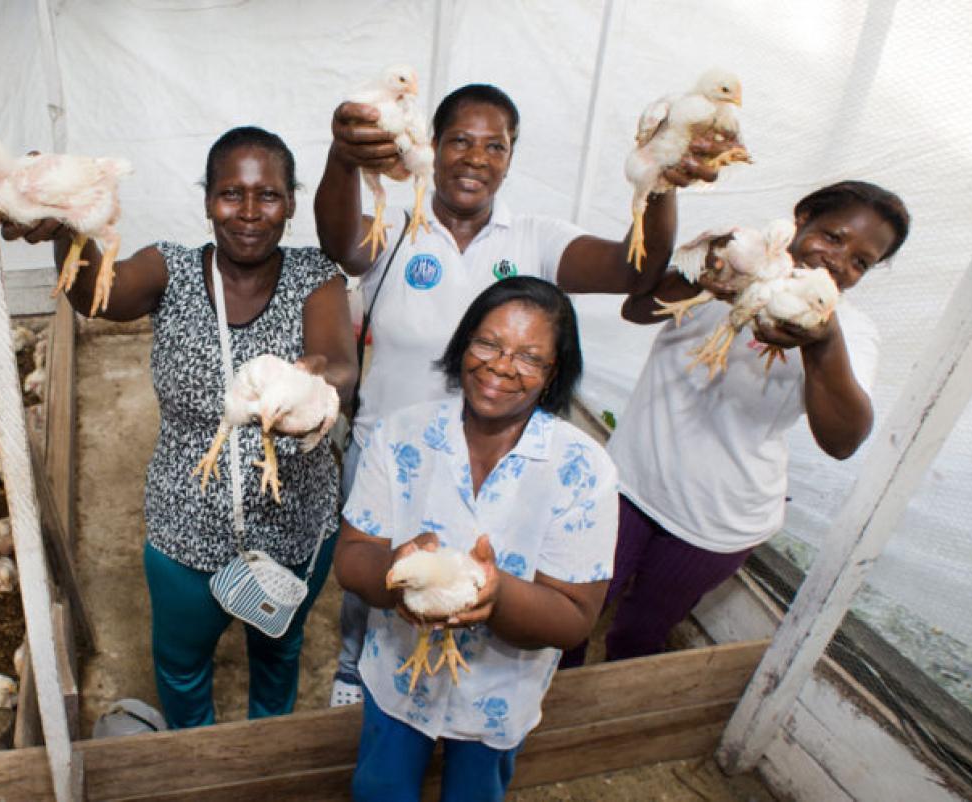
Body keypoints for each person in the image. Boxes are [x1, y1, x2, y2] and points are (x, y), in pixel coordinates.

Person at [315, 83, 722, 706]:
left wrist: (659, 184)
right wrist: (343, 159)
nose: (475, 158)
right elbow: (338, 241)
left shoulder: (534, 238)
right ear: (433, 145)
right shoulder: (396, 227)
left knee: (473, 584)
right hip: (389, 456)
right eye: (459, 141)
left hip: (493, 467)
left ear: (510, 157)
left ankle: (466, 702)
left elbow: (633, 271)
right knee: (378, 576)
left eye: (494, 146)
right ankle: (354, 669)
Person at [0, 126, 357, 728]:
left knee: (279, 650)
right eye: (231, 193)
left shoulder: (317, 276)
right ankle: (195, 759)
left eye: (268, 196)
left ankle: (267, 747)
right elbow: (97, 298)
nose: (249, 212)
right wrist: (69, 225)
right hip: (188, 526)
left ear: (291, 202)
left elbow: (339, 364)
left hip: (295, 524)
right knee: (182, 665)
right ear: (207, 199)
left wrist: (311, 383)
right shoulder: (172, 268)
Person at [560, 181, 910, 667]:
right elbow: (636, 309)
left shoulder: (846, 328)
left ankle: (602, 715)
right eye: (833, 236)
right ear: (802, 216)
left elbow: (843, 440)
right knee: (572, 610)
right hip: (632, 483)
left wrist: (821, 344)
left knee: (640, 633)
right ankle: (544, 707)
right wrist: (703, 279)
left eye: (860, 262)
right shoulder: (731, 253)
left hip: (717, 521)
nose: (839, 261)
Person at [334, 277, 616, 802]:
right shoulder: (402, 435)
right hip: (399, 673)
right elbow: (351, 559)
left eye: (530, 357)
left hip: (499, 691)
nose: (502, 366)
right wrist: (396, 572)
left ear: (555, 374)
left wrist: (496, 595)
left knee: (475, 793)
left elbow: (576, 616)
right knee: (381, 788)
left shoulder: (582, 469)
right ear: (463, 343)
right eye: (487, 343)